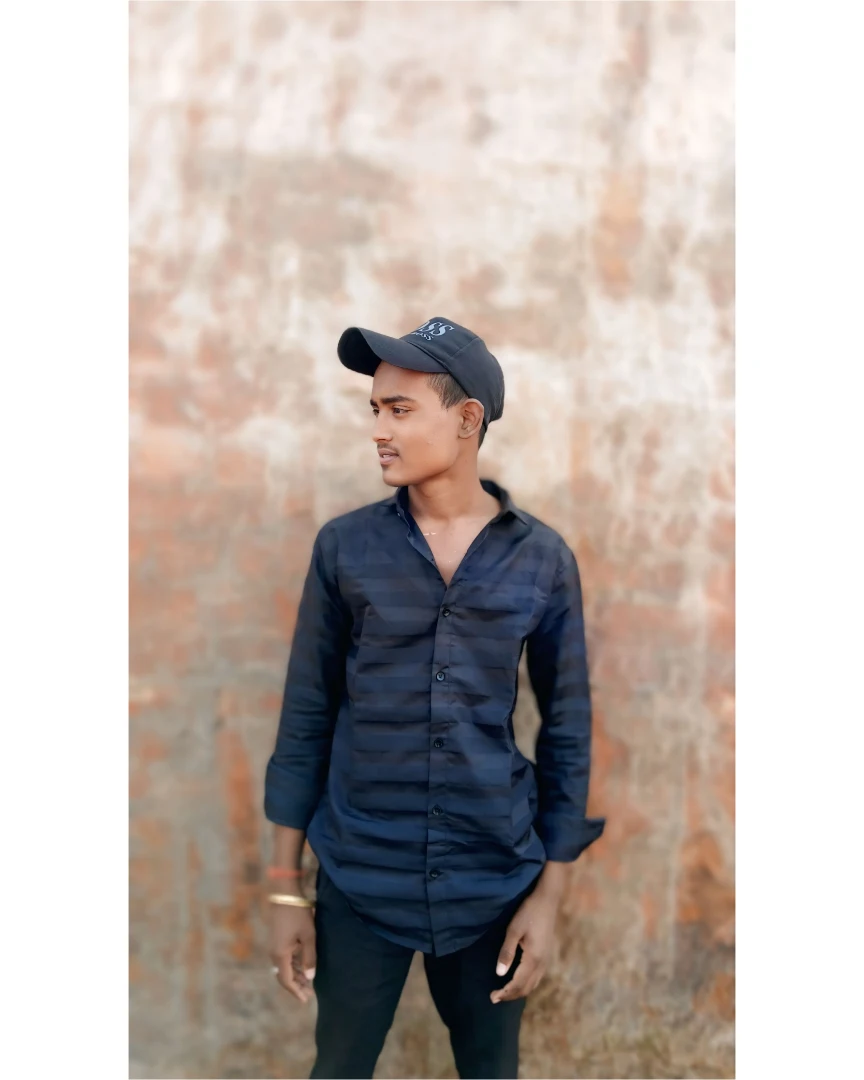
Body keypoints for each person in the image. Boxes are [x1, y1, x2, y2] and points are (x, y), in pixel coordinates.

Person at [263, 317, 605, 1080]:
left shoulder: (542, 561)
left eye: (400, 410)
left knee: (490, 1070)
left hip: (494, 879)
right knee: (338, 1067)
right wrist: (286, 892)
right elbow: (306, 714)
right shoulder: (345, 549)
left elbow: (567, 731)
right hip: (360, 875)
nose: (379, 430)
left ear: (467, 418)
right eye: (375, 410)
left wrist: (548, 899)